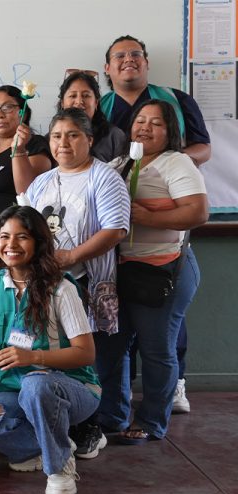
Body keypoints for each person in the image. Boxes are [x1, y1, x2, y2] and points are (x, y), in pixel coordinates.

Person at [101, 35, 211, 408]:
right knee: (116, 348)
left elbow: (198, 210)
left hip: (164, 264)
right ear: (107, 68)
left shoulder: (176, 155)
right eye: (140, 122)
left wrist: (150, 213)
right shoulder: (118, 155)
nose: (145, 128)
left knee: (158, 346)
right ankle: (114, 416)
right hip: (120, 267)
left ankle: (154, 417)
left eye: (155, 123)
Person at [0, 205, 100, 494]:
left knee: (37, 383)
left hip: (73, 388)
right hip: (14, 388)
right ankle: (55, 443)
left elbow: (86, 354)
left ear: (39, 243)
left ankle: (58, 468)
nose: (11, 245)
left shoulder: (62, 288)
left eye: (23, 237)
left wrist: (33, 358)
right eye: (4, 236)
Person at [25, 108, 129, 458]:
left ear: (89, 139)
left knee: (90, 358)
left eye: (72, 135)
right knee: (55, 356)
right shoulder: (42, 181)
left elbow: (115, 229)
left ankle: (90, 426)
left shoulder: (104, 177)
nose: (63, 142)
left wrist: (71, 257)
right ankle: (61, 424)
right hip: (47, 287)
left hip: (86, 282)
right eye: (56, 136)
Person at [101, 35, 211, 166]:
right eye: (120, 56)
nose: (129, 59)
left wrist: (167, 161)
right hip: (111, 182)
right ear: (107, 68)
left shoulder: (179, 99)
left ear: (147, 63)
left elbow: (204, 150)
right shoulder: (97, 107)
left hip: (166, 181)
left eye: (136, 54)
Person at [0, 85, 53, 257]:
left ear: (23, 113)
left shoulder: (35, 144)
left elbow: (27, 191)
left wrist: (19, 150)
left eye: (8, 107)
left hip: (16, 242)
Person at [58, 71, 126, 164]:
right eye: (72, 96)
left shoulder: (114, 136)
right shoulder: (52, 138)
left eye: (86, 96)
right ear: (62, 103)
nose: (79, 101)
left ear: (96, 103)